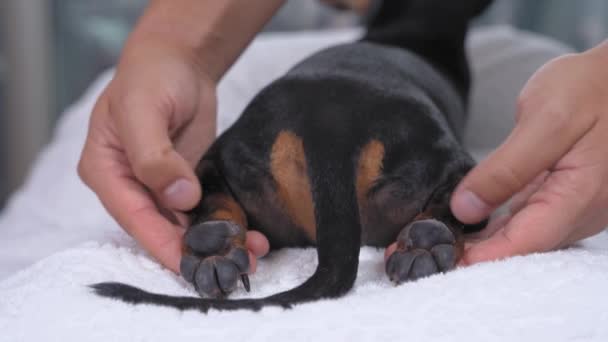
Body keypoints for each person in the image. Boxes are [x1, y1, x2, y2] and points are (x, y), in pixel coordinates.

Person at [78, 0, 608, 275]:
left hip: (269, 173)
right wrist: (176, 46)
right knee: (451, 183)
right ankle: (433, 218)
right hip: (395, 175)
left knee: (220, 180)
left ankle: (222, 210)